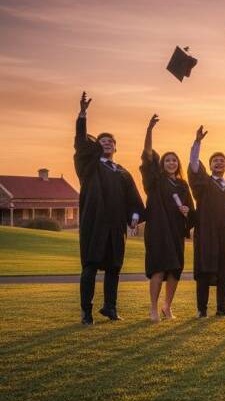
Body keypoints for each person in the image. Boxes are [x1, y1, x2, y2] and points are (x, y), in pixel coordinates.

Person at [74, 92, 144, 324]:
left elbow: (135, 202)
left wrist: (134, 217)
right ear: (96, 147)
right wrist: (83, 115)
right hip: (94, 224)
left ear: (115, 147)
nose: (106, 143)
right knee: (90, 267)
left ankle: (110, 308)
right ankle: (86, 311)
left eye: (110, 142)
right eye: (102, 141)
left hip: (116, 227)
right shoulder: (89, 166)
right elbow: (81, 143)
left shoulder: (123, 172)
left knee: (114, 268)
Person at [188, 126, 225, 317]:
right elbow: (195, 165)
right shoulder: (204, 183)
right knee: (204, 272)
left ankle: (222, 308)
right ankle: (202, 309)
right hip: (206, 235)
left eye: (222, 161)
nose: (219, 163)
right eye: (215, 161)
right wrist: (197, 142)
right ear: (210, 165)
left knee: (224, 273)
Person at [140, 114, 194, 322]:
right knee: (158, 269)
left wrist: (187, 212)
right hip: (157, 231)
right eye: (167, 160)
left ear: (178, 164)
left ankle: (167, 306)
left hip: (175, 231)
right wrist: (150, 130)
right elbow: (147, 155)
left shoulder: (182, 185)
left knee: (174, 272)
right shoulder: (155, 180)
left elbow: (191, 209)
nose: (171, 162)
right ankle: (153, 309)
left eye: (174, 160)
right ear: (162, 164)